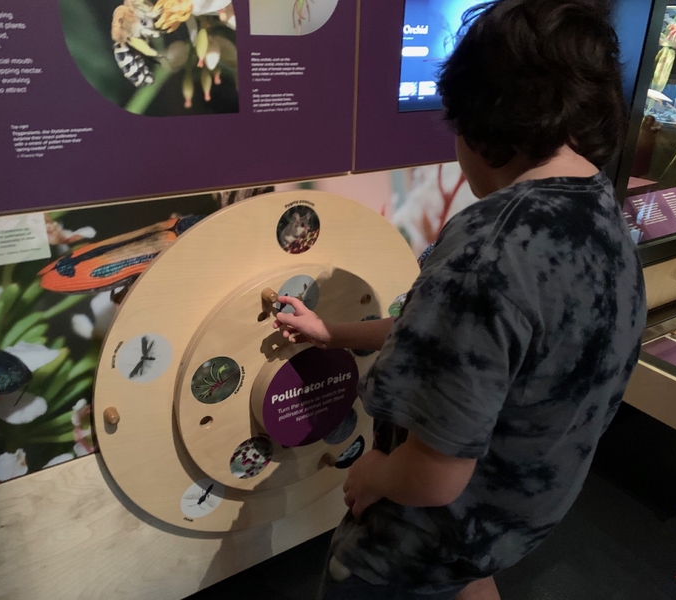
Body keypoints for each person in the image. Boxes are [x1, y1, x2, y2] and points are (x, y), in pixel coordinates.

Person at [274, 0, 647, 598]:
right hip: (523, 507)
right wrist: (333, 333)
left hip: (436, 530)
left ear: (481, 117)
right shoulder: (600, 211)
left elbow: (434, 476)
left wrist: (374, 471)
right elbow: (461, 348)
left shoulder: (487, 252)